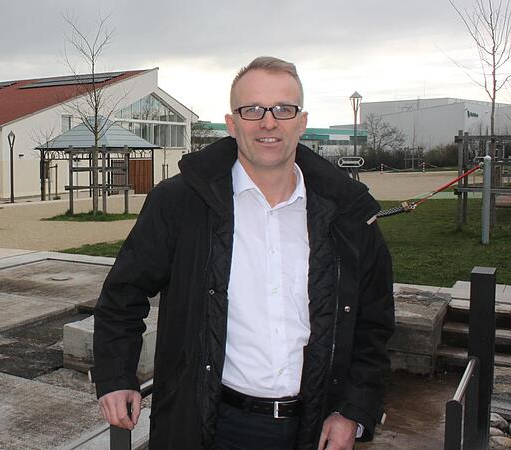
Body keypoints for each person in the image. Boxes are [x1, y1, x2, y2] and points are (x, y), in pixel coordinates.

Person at [91, 56, 395, 450]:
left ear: (301, 122)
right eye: (252, 109)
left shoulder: (348, 215)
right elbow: (123, 293)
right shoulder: (181, 202)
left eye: (283, 109)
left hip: (315, 427)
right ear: (232, 124)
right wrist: (116, 377)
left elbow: (373, 323)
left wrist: (354, 409)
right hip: (212, 426)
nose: (268, 122)